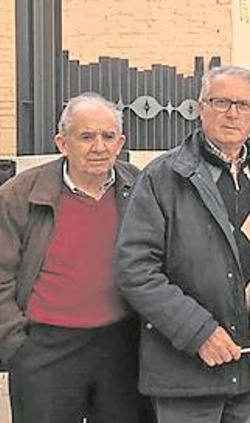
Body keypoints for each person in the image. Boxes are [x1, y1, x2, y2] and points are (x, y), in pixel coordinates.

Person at [116, 65, 250, 423]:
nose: (232, 113)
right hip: (187, 374)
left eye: (243, 104)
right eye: (221, 102)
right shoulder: (162, 178)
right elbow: (136, 270)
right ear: (200, 106)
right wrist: (200, 332)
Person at [0, 93, 146, 422]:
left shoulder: (139, 187)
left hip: (120, 345)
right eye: (86, 136)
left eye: (108, 136)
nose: (99, 146)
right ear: (62, 143)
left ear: (120, 142)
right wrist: (16, 345)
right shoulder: (20, 194)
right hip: (44, 349)